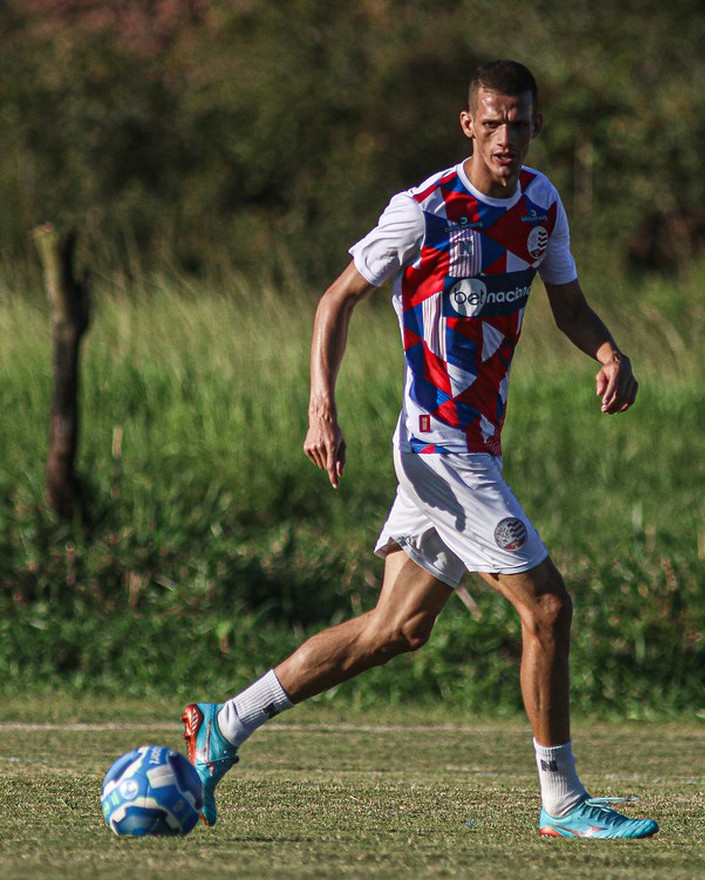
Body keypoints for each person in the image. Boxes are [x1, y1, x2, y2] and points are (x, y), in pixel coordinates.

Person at [180, 60, 658, 840]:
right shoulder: (424, 210)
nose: (507, 135)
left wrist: (609, 354)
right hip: (440, 449)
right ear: (468, 123)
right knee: (547, 607)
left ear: (537, 125)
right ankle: (563, 802)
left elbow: (568, 304)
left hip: (477, 449)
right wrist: (320, 407)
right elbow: (335, 301)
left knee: (395, 630)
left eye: (521, 122)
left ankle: (226, 722)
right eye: (493, 121)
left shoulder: (541, 203)